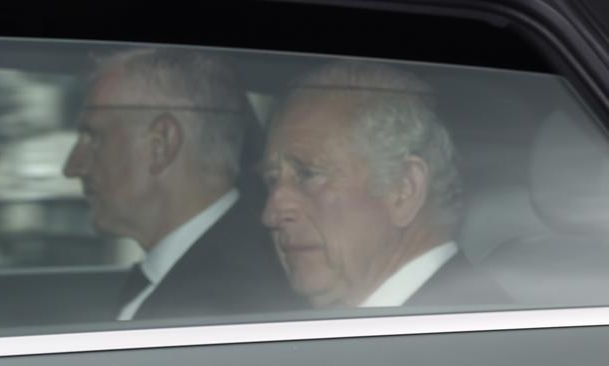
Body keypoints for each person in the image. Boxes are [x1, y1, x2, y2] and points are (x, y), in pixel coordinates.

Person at [63, 48, 301, 320]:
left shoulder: (221, 306)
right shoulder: (197, 274)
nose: (72, 167)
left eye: (93, 137)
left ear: (161, 144)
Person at [260, 61, 509, 308]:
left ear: (403, 190)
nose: (270, 214)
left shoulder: (468, 336)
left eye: (308, 174)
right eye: (272, 180)